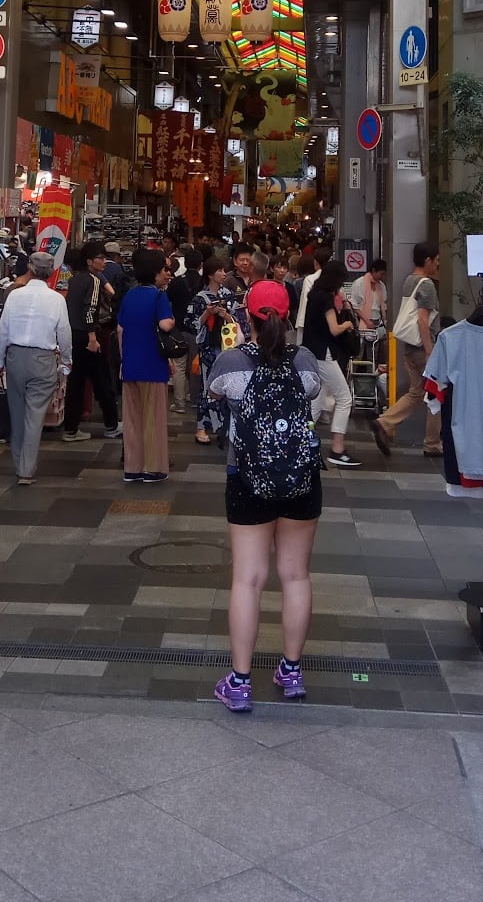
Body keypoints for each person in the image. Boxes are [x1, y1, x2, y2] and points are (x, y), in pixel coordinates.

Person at [208, 280, 324, 711]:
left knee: (248, 579)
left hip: (246, 477)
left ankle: (239, 682)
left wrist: (237, 346)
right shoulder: (307, 362)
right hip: (301, 478)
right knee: (295, 576)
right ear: (288, 312)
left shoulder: (232, 361)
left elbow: (214, 393)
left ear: (247, 313)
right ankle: (291, 671)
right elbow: (314, 395)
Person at [0, 251, 71, 485]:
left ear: (30, 268)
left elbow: (3, 332)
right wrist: (67, 361)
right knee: (35, 414)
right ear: (51, 272)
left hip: (15, 357)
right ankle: (26, 469)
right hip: (43, 358)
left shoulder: (15, 296)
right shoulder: (57, 299)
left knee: (16, 411)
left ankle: (19, 463)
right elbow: (64, 334)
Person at [375, 241, 443, 457]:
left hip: (409, 348)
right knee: (437, 393)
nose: (438, 265)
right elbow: (423, 320)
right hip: (424, 349)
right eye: (437, 260)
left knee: (416, 392)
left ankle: (384, 422)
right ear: (428, 260)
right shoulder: (427, 285)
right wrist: (430, 350)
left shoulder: (409, 281)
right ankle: (432, 443)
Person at [116, 247, 175, 482]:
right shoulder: (159, 296)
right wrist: (172, 318)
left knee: (132, 420)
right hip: (153, 364)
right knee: (153, 419)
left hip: (130, 364)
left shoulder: (130, 295)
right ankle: (153, 468)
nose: (167, 275)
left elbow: (121, 329)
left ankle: (132, 468)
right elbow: (166, 325)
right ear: (154, 273)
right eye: (164, 270)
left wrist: (123, 359)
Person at [300, 260, 361, 468]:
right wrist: (347, 323)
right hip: (324, 354)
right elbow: (334, 329)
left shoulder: (314, 296)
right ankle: (337, 448)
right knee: (344, 398)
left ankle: (298, 438)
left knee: (315, 402)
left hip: (311, 352)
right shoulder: (325, 299)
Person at [63, 242, 122, 441]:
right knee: (102, 381)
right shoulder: (94, 281)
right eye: (100, 258)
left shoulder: (74, 280)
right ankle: (111, 425)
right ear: (89, 261)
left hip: (73, 335)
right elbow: (90, 310)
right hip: (89, 337)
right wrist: (92, 336)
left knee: (76, 382)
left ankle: (70, 428)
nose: (104, 261)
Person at [186, 254, 246, 445]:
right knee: (207, 387)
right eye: (219, 270)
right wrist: (206, 313)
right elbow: (190, 323)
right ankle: (201, 427)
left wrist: (226, 315)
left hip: (226, 347)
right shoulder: (200, 297)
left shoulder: (228, 295)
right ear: (211, 274)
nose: (223, 274)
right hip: (208, 348)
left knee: (226, 386)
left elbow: (239, 321)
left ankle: (224, 425)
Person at [166, 254, 199, 414]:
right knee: (195, 365)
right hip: (197, 331)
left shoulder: (177, 282)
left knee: (179, 366)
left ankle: (179, 403)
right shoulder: (202, 283)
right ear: (200, 265)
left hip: (178, 329)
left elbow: (167, 301)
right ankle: (194, 399)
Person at [349, 257, 389, 333]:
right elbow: (354, 305)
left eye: (384, 274)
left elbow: (384, 304)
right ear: (374, 271)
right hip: (362, 320)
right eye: (381, 274)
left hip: (377, 320)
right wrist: (367, 321)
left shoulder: (381, 285)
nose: (382, 277)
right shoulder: (359, 283)